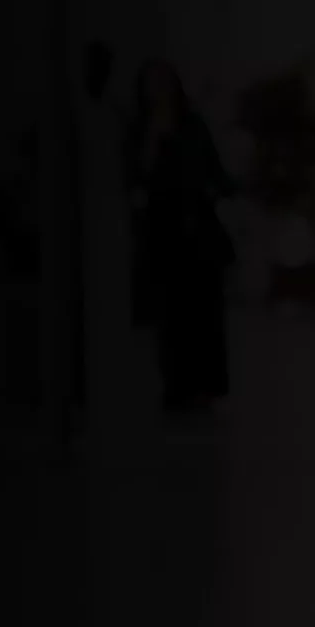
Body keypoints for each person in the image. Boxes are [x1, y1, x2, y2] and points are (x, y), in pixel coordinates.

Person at [127, 59, 235, 415]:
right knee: (171, 316)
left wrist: (223, 193)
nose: (158, 90)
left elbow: (215, 172)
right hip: (163, 231)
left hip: (197, 227)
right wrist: (152, 139)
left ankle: (205, 387)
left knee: (203, 312)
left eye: (164, 82)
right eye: (151, 83)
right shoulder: (142, 128)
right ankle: (177, 387)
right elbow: (137, 176)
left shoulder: (194, 125)